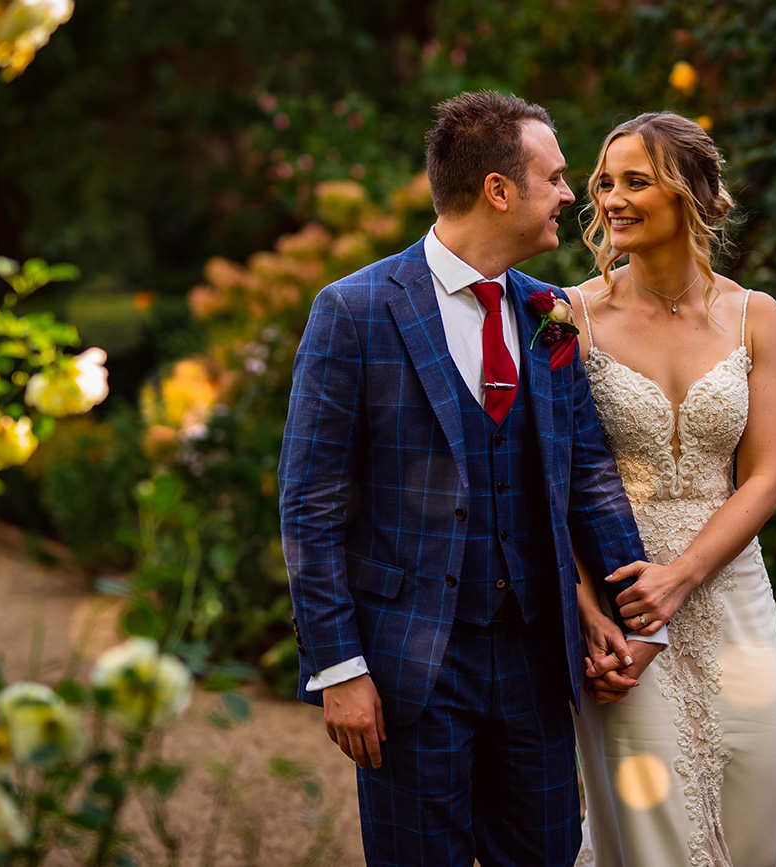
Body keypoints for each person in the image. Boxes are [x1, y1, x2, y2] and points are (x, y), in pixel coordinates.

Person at [277, 91, 670, 867]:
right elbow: (311, 504)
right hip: (408, 669)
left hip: (535, 656)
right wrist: (340, 667)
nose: (570, 194)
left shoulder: (551, 312)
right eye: (555, 178)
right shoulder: (354, 311)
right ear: (498, 189)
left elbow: (586, 472)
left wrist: (638, 616)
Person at [567, 112, 776, 866]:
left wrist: (684, 575)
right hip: (623, 603)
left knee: (754, 814)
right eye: (606, 182)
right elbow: (546, 477)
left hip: (732, 597)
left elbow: (764, 475)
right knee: (651, 827)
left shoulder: (755, 317)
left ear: (690, 195)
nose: (611, 199)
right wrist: (587, 609)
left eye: (637, 181)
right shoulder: (568, 317)